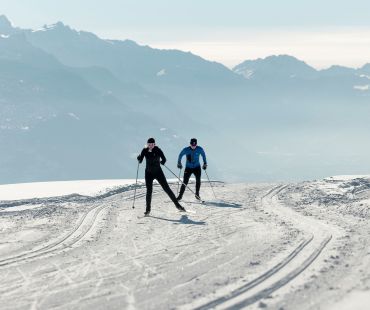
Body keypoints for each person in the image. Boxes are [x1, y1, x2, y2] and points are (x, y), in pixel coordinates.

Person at [137, 138, 186, 216]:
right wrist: (139, 158)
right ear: (147, 144)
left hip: (158, 172)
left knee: (167, 189)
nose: (151, 146)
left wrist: (163, 162)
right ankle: (148, 210)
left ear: (154, 144)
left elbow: (164, 159)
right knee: (149, 191)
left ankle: (178, 205)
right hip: (148, 173)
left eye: (152, 144)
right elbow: (140, 161)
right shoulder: (144, 150)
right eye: (149, 144)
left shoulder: (158, 150)